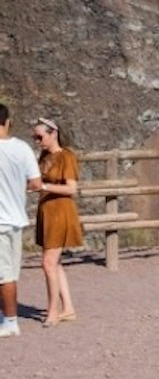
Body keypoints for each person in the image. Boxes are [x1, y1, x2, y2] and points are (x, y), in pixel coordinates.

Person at [33, 116, 84, 325]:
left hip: (61, 212)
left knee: (48, 263)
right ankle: (68, 308)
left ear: (53, 134)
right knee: (55, 263)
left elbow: (71, 188)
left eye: (40, 136)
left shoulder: (66, 157)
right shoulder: (44, 157)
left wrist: (44, 187)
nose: (37, 141)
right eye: (35, 137)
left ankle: (52, 310)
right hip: (47, 211)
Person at [0, 104, 42, 339]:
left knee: (4, 276)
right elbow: (35, 183)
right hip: (16, 219)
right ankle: (7, 315)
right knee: (9, 273)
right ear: (7, 122)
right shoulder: (23, 148)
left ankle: (10, 321)